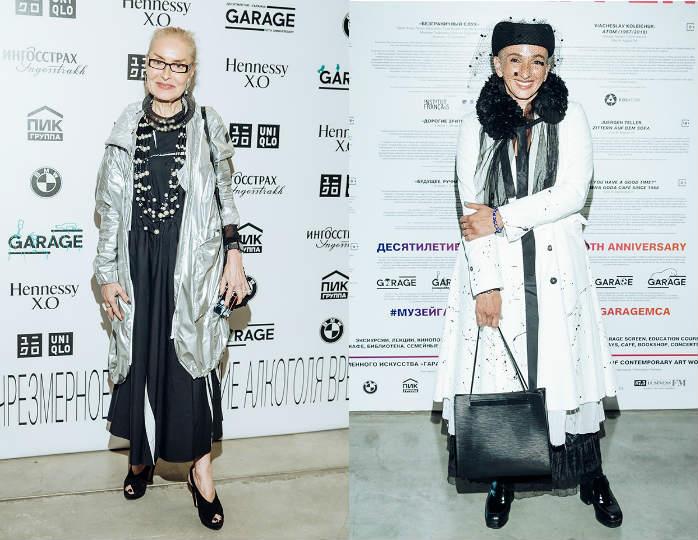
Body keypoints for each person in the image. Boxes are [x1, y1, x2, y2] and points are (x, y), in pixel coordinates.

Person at [433, 20, 623, 529]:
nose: (525, 71)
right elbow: (471, 208)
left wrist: (502, 216)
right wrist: (486, 284)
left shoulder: (570, 116)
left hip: (557, 268)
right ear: (497, 64)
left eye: (537, 60)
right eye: (514, 59)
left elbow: (571, 193)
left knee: (569, 375)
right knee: (501, 374)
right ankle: (504, 476)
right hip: (497, 264)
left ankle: (591, 475)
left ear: (549, 65)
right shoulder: (476, 123)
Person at [93, 26, 250, 531]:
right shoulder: (126, 124)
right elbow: (109, 209)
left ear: (191, 72)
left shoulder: (207, 124)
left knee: (191, 367)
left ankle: (200, 474)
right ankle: (140, 460)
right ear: (146, 65)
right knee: (138, 362)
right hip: (137, 264)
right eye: (157, 62)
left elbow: (225, 196)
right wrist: (106, 275)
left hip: (192, 266)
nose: (166, 73)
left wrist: (234, 256)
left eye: (178, 65)